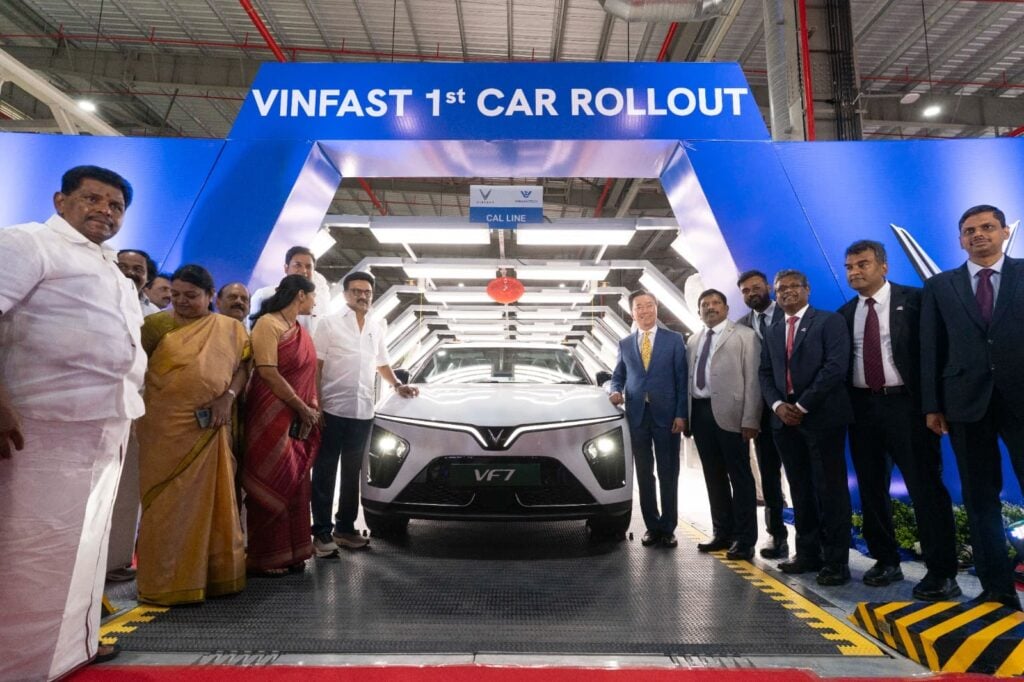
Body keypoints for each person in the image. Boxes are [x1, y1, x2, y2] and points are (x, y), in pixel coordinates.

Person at [0, 165, 145, 678]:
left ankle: (71, 646)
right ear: (60, 201)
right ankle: (19, 662)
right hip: (42, 424)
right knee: (32, 545)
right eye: (92, 199)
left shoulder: (109, 266)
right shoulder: (28, 244)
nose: (105, 210)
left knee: (84, 544)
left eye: (115, 205)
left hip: (105, 423)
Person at [839, 240, 960, 600]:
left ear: (884, 266)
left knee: (926, 488)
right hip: (863, 409)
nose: (855, 272)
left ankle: (942, 572)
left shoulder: (917, 301)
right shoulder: (845, 313)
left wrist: (934, 405)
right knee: (872, 488)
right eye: (849, 267)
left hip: (908, 407)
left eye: (862, 264)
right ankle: (885, 560)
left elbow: (936, 354)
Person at [921, 205, 1024, 611]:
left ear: (1003, 232)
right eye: (969, 230)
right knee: (980, 498)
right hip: (965, 403)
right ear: (960, 239)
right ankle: (996, 587)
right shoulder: (940, 286)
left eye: (987, 227)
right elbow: (931, 347)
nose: (978, 234)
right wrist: (932, 405)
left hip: (1021, 399)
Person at [135, 264, 249, 606]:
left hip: (211, 426)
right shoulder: (155, 326)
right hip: (163, 428)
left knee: (213, 501)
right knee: (164, 503)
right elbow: (134, 366)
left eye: (191, 296)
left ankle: (212, 577)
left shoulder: (230, 329)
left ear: (210, 296)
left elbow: (243, 368)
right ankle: (164, 582)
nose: (182, 301)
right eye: (176, 295)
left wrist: (227, 398)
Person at [311, 270, 417, 557]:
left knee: (353, 473)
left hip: (362, 410)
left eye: (367, 292)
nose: (362, 296)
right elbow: (316, 367)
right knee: (325, 471)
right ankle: (321, 531)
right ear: (345, 294)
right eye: (356, 291)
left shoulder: (375, 325)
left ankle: (344, 529)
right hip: (332, 409)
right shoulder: (328, 324)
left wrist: (397, 385)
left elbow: (381, 362)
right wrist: (316, 404)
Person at [759, 269, 853, 586]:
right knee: (800, 489)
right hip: (784, 421)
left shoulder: (829, 321)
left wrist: (801, 406)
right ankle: (808, 553)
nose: (787, 292)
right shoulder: (773, 330)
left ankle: (836, 561)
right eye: (780, 288)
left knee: (830, 490)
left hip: (822, 417)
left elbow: (835, 368)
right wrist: (777, 405)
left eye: (793, 286)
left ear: (807, 289)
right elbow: (764, 373)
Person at [243, 275, 322, 575]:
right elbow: (267, 371)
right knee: (271, 479)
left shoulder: (299, 329)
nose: (315, 302)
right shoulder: (268, 324)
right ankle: (265, 556)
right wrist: (301, 406)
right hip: (271, 414)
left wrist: (310, 409)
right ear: (301, 295)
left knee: (296, 483)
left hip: (298, 419)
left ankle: (292, 552)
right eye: (313, 296)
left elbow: (309, 374)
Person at [686, 289, 762, 560]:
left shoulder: (745, 336)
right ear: (699, 311)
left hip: (733, 416)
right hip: (700, 414)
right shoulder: (693, 340)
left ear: (726, 308)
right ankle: (722, 532)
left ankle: (745, 539)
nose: (710, 307)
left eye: (716, 303)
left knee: (740, 478)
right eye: (705, 304)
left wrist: (751, 418)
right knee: (713, 476)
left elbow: (753, 380)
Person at [609, 290, 688, 548]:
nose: (644, 310)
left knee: (668, 472)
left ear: (657, 307)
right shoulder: (624, 344)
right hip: (637, 417)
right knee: (644, 473)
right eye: (639, 307)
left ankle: (668, 527)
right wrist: (614, 390)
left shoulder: (674, 340)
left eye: (649, 305)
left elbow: (682, 380)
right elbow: (618, 376)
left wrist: (681, 414)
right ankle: (652, 526)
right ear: (632, 313)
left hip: (668, 416)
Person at [736, 270, 790, 559]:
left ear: (768, 287)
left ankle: (814, 539)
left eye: (756, 287)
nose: (751, 293)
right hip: (761, 413)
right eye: (745, 291)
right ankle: (777, 536)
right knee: (769, 477)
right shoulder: (741, 326)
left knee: (802, 475)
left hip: (791, 409)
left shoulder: (788, 314)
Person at [249, 246, 332, 331]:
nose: (304, 271)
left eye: (308, 267)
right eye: (298, 265)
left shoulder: (315, 302)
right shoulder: (265, 295)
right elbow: (251, 331)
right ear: (286, 268)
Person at [118, 248, 161, 316]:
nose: (130, 272)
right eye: (122, 267)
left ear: (148, 278)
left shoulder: (153, 313)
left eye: (138, 269)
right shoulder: (100, 297)